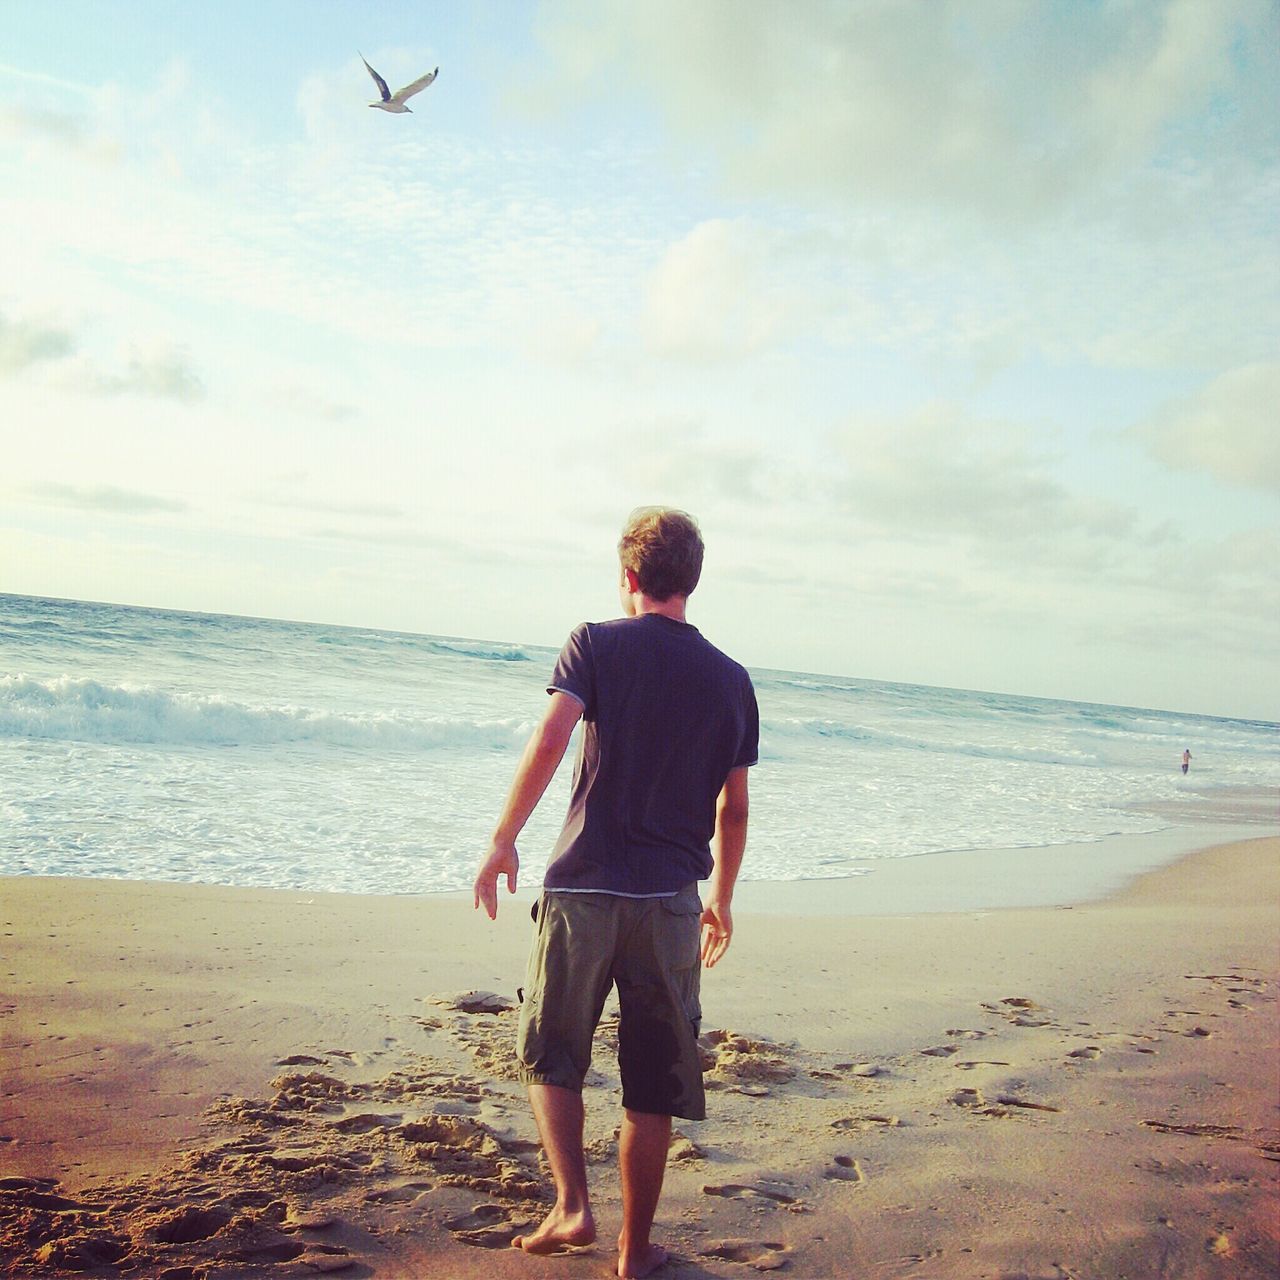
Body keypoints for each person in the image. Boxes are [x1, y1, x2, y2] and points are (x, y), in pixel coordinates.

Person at [474, 506, 758, 1280]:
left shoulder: (594, 643)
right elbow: (732, 806)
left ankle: (573, 1206)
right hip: (670, 899)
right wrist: (722, 897)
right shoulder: (732, 680)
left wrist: (504, 838)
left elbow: (553, 735)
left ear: (628, 578)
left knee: (553, 1054)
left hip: (584, 888)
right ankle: (634, 1254)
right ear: (690, 582)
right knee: (653, 1082)